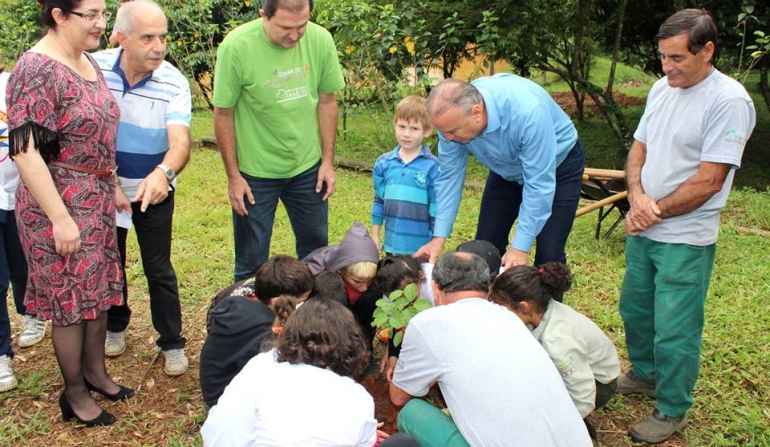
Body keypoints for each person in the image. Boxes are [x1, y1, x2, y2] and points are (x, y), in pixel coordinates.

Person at [617, 9, 756, 444]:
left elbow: (710, 180)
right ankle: (645, 374)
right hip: (646, 227)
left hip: (685, 237)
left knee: (675, 325)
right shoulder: (662, 88)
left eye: (677, 57)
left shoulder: (729, 101)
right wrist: (636, 195)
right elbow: (639, 147)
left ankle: (672, 405)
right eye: (663, 57)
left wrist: (649, 210)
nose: (668, 67)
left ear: (707, 50)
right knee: (636, 309)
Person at [7, 0, 133, 426]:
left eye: (103, 13)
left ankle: (96, 373)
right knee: (70, 299)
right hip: (56, 202)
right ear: (59, 15)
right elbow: (25, 151)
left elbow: (96, 132)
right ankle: (75, 393)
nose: (101, 23)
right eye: (90, 15)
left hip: (94, 196)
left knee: (96, 291)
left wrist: (111, 182)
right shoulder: (37, 68)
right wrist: (60, 218)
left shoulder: (84, 60)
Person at [390, 252, 592, 446]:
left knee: (411, 412)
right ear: (486, 287)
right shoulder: (510, 318)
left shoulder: (426, 323)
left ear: (435, 287)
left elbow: (398, 397)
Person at [92, 0, 193, 376]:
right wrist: (109, 179)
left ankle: (171, 342)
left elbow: (180, 141)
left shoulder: (174, 81)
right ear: (121, 37)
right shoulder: (93, 68)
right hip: (103, 188)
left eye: (163, 37)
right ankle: (115, 326)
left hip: (153, 191)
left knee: (158, 268)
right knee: (110, 263)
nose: (158, 46)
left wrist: (163, 174)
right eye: (148, 37)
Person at [213, 0, 346, 282]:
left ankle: (313, 319)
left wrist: (328, 161)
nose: (296, 36)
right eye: (286, 27)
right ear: (264, 15)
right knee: (251, 261)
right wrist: (233, 176)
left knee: (317, 253)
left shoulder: (320, 39)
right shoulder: (236, 47)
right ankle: (248, 321)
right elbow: (223, 114)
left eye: (302, 26)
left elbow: (327, 101)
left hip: (308, 167)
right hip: (255, 173)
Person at [414, 75, 585, 273]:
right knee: (485, 248)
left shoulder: (528, 112)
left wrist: (520, 247)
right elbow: (449, 177)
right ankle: (489, 302)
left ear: (476, 112)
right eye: (442, 132)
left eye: (451, 131)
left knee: (549, 254)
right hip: (505, 171)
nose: (447, 138)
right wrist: (438, 238)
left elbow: (538, 184)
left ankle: (548, 304)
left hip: (557, 167)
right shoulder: (450, 125)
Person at [201, 298, 419, 447]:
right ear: (349, 345)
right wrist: (364, 434)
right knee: (403, 444)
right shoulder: (355, 398)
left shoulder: (259, 364)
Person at [489, 262, 620, 439]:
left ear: (524, 307)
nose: (497, 313)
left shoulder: (557, 340)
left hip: (599, 384)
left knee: (533, 406)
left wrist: (567, 423)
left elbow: (583, 394)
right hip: (577, 371)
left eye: (501, 307)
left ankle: (577, 426)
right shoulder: (539, 310)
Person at [199, 255, 314, 407]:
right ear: (276, 301)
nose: (302, 307)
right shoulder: (263, 335)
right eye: (300, 302)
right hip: (226, 399)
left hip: (217, 383)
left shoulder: (245, 295)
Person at [371, 95, 438, 255]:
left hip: (421, 249)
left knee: (420, 281)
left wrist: (433, 241)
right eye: (402, 126)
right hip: (391, 245)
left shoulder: (433, 167)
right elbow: (379, 201)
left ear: (427, 130)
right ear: (395, 125)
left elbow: (436, 208)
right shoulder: (383, 163)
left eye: (414, 128)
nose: (406, 134)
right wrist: (375, 235)